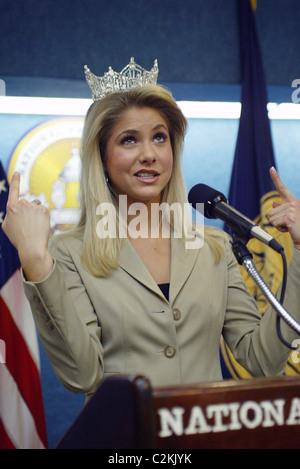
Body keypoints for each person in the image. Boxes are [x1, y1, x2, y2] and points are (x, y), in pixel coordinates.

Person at [2, 58, 300, 403]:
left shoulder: (215, 246)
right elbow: (82, 375)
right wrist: (35, 258)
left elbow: (262, 361)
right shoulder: (69, 252)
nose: (149, 154)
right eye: (129, 140)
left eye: (160, 138)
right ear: (101, 157)